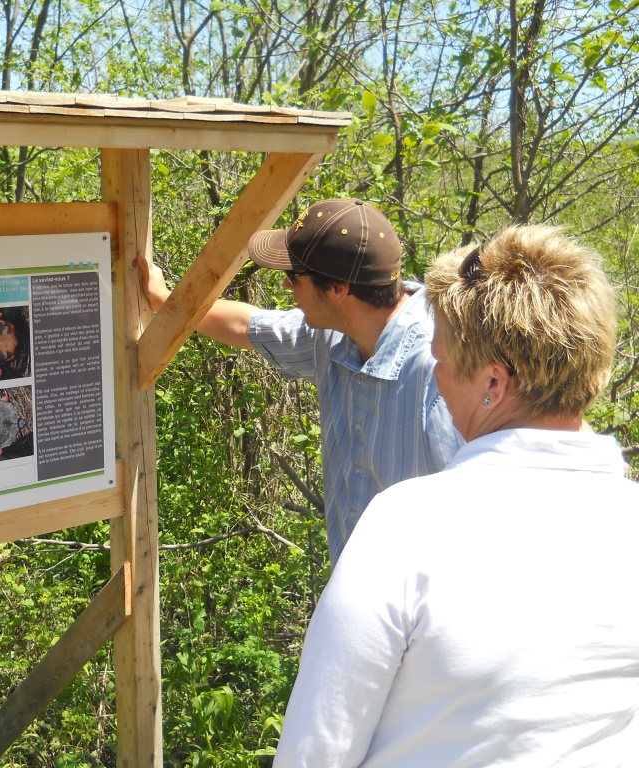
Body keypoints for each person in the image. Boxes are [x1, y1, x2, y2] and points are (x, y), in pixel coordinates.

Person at [273, 224, 639, 766]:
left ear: (493, 384)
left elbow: (315, 750)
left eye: (441, 360)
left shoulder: (404, 527)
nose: (436, 374)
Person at [138, 198, 462, 562]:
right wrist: (165, 301)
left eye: (294, 277)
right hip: (355, 593)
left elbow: (474, 521)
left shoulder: (442, 372)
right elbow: (248, 326)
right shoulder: (336, 333)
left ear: (339, 289)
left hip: (420, 609)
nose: (286, 288)